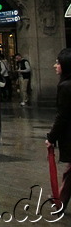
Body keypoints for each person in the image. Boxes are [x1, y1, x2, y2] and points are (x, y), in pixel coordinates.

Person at [46, 48, 71, 209]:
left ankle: (60, 200)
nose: (55, 66)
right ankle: (60, 200)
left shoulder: (66, 86)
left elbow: (63, 115)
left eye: (58, 63)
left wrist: (51, 137)